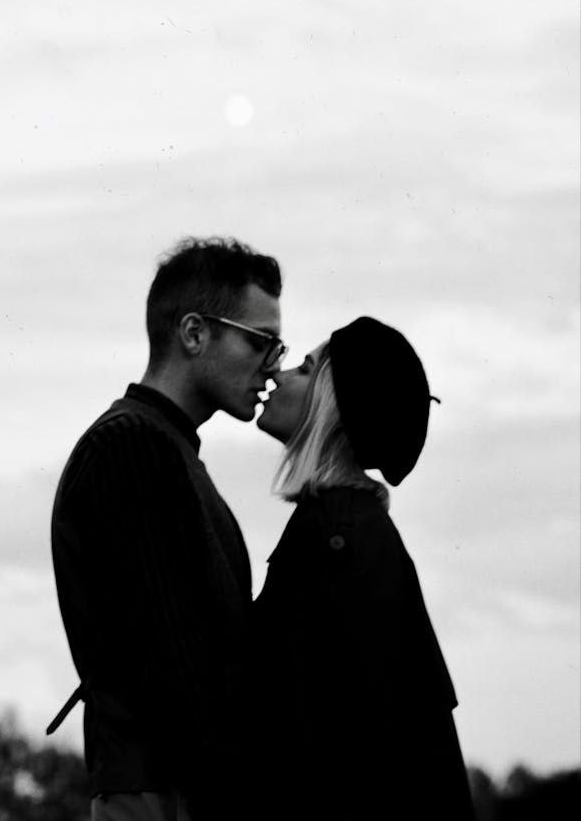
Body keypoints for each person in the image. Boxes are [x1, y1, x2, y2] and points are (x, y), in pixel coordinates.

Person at [49, 237, 285, 821]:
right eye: (260, 342)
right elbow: (175, 668)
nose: (274, 365)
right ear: (194, 333)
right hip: (161, 790)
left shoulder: (165, 448)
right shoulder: (130, 445)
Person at [254, 316, 475, 821]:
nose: (278, 375)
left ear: (331, 407)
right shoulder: (346, 526)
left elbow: (346, 741)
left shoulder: (339, 536)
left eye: (303, 369)